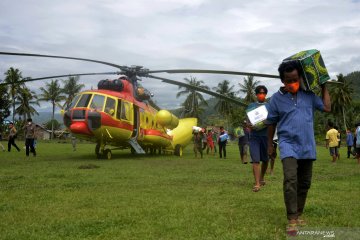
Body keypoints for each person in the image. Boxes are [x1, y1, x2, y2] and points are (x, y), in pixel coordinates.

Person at [266, 60, 331, 232]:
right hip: (287, 144)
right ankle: (292, 218)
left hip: (307, 145)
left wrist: (324, 86)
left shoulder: (309, 96)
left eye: (295, 79)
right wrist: (270, 145)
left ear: (300, 77)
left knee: (304, 183)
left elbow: (326, 107)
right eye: (289, 80)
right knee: (290, 179)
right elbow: (271, 123)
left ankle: (298, 214)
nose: (292, 83)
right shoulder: (276, 100)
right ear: (283, 81)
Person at [247, 85, 269, 192]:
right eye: (260, 93)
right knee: (255, 160)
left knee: (265, 160)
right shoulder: (250, 106)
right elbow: (247, 120)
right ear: (256, 94)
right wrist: (248, 125)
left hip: (266, 136)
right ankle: (257, 184)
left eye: (264, 93)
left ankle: (262, 178)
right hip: (254, 137)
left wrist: (261, 124)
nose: (262, 95)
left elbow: (271, 120)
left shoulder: (270, 107)